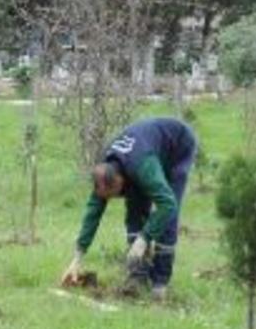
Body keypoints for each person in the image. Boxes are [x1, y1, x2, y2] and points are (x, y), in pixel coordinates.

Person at [61, 117, 198, 300]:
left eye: (114, 194)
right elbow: (93, 212)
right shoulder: (104, 171)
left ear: (119, 181)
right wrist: (77, 258)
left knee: (168, 215)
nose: (114, 199)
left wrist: (144, 239)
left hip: (177, 146)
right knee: (134, 208)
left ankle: (160, 285)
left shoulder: (142, 166)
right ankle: (137, 280)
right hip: (144, 152)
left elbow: (167, 203)